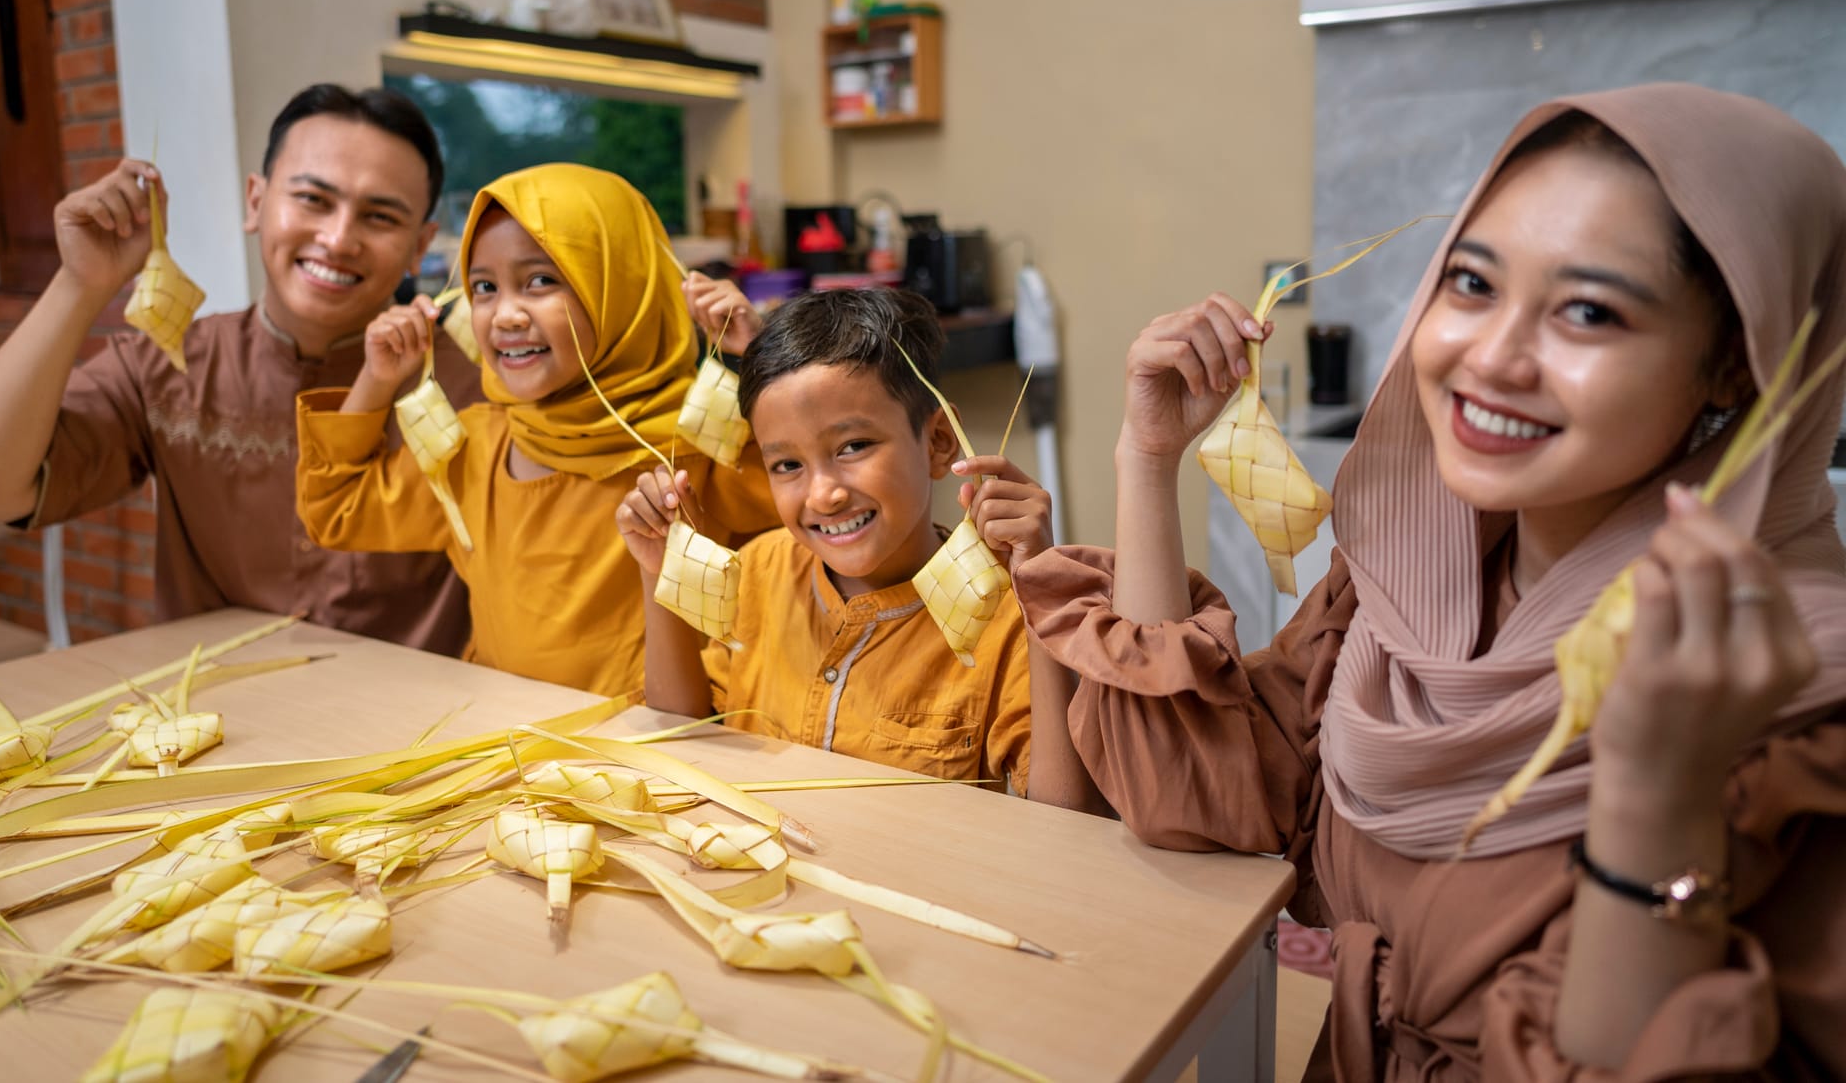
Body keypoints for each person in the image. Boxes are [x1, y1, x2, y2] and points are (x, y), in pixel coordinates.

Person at [1014, 84, 1846, 1078]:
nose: (1489, 358)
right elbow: (1188, 798)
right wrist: (1146, 459)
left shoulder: (1784, 712)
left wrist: (1657, 793)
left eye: (1586, 311)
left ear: (1736, 370)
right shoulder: (1395, 599)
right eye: (1471, 284)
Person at [0, 84, 477, 654]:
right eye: (313, 199)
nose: (337, 238)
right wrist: (79, 285)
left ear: (421, 245)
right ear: (256, 202)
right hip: (215, 720)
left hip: (419, 725)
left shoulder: (475, 390)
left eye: (380, 216)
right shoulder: (167, 368)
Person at [296, 163, 775, 695]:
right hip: (504, 748)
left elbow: (815, 503)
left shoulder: (702, 444)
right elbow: (337, 510)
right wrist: (376, 378)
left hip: (650, 755)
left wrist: (757, 361)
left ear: (623, 285)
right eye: (483, 287)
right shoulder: (472, 447)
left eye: (541, 280)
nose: (505, 315)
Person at [619, 287, 1100, 810]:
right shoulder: (759, 569)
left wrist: (1041, 596)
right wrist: (656, 570)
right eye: (787, 465)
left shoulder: (1003, 617)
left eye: (853, 447)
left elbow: (1070, 822)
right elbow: (681, 741)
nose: (824, 494)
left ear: (938, 442)